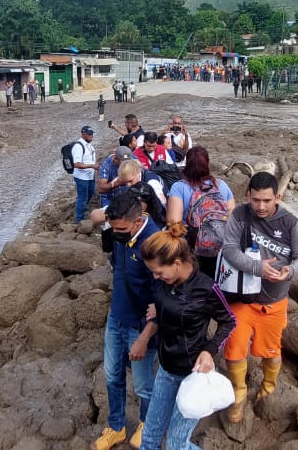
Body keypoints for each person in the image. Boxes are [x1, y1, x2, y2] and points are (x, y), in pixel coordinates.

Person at [218, 171, 298, 425]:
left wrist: (289, 271)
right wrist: (258, 268)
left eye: (267, 201)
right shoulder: (239, 214)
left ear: (278, 198)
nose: (260, 206)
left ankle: (268, 386)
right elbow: (228, 249)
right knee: (234, 349)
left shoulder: (290, 223)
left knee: (270, 352)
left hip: (274, 301)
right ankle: (239, 394)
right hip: (241, 298)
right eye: (256, 200)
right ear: (248, 195)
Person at [135, 222, 236, 450]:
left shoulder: (206, 289)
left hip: (191, 375)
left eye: (158, 272)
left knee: (175, 445)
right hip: (166, 370)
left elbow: (229, 321)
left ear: (177, 263)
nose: (155, 277)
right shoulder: (165, 282)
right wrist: (156, 315)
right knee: (149, 437)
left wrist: (209, 351)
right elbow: (166, 310)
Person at [93, 191, 161, 450]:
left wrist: (144, 338)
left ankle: (146, 423)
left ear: (136, 221)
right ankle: (116, 426)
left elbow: (163, 300)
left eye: (120, 228)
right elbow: (96, 218)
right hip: (116, 317)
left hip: (141, 325)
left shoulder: (154, 245)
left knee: (144, 385)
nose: (116, 233)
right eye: (113, 227)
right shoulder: (120, 233)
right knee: (112, 375)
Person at [166, 146, 235, 278]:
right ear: (208, 164)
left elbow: (173, 223)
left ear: (186, 164)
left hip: (194, 250)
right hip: (222, 248)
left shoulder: (179, 187)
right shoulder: (221, 185)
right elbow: (232, 215)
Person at [73, 126, 98, 223]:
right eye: (89, 134)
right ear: (83, 134)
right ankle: (79, 219)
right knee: (82, 197)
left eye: (92, 134)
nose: (91, 136)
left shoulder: (89, 144)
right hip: (81, 177)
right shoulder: (78, 147)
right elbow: (77, 164)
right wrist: (92, 166)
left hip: (89, 175)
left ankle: (83, 207)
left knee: (91, 192)